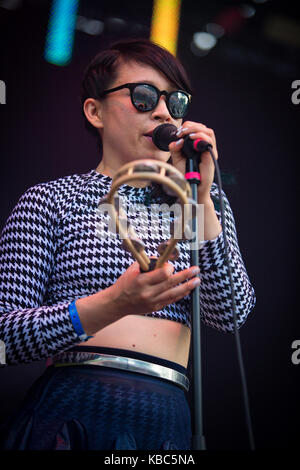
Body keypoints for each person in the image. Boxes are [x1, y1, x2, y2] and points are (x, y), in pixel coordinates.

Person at [0, 38, 256, 450]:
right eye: (143, 97)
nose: (161, 112)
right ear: (94, 111)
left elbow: (230, 313)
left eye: (175, 102)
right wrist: (113, 303)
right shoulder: (51, 199)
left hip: (167, 411)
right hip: (73, 405)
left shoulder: (196, 199)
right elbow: (4, 338)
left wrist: (202, 199)